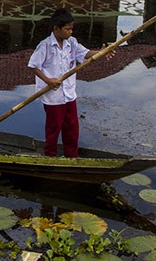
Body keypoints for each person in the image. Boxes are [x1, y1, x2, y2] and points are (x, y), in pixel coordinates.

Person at [28, 8, 114, 158]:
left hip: (69, 94)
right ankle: (50, 156)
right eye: (67, 29)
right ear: (56, 29)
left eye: (71, 28)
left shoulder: (72, 43)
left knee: (72, 127)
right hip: (53, 96)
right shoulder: (45, 46)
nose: (70, 32)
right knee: (54, 128)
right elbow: (34, 66)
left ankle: (72, 155)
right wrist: (48, 80)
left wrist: (101, 53)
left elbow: (86, 54)